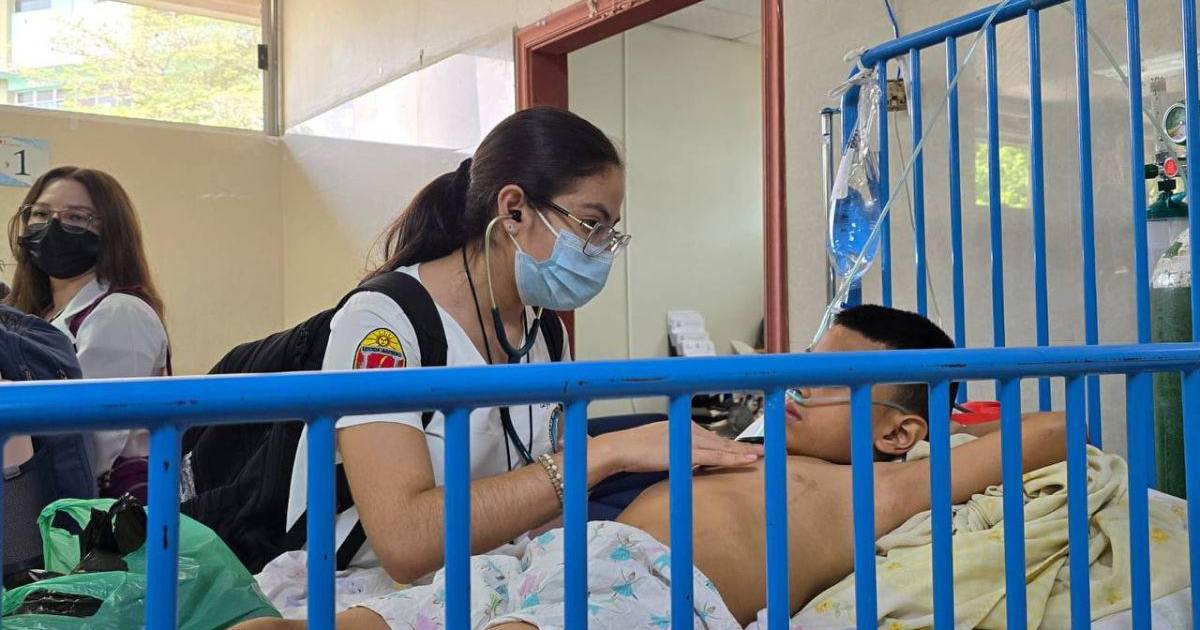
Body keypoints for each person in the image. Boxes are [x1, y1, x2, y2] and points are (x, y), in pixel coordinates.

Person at [238, 305, 1068, 629]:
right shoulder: (744, 453)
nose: (792, 386)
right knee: (368, 619)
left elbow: (1053, 428)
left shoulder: (885, 485)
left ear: (896, 431)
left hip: (657, 592)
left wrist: (957, 422)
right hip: (557, 557)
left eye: (826, 381)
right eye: (798, 365)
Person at [282, 106, 761, 582]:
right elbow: (405, 541)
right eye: (591, 225)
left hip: (496, 581)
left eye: (610, 233)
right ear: (513, 210)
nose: (601, 251)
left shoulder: (545, 332)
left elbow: (551, 509)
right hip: (372, 592)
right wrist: (606, 453)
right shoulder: (383, 323)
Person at [5, 166, 169, 500]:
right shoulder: (36, 315)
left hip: (96, 514)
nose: (53, 226)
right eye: (41, 213)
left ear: (112, 233)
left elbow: (87, 448)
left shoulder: (120, 312)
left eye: (77, 218)